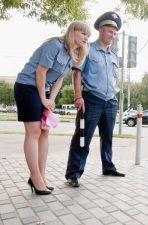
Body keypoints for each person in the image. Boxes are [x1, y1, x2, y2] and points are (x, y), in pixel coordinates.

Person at [14, 21, 91, 195]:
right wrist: (43, 98)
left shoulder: (72, 53)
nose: (87, 38)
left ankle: (40, 176)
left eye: (88, 36)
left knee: (44, 131)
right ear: (73, 32)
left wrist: (51, 100)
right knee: (33, 132)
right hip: (27, 86)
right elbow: (40, 72)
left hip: (45, 90)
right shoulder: (54, 45)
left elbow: (60, 79)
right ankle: (35, 177)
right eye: (83, 33)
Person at [65, 11, 125, 188]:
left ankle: (108, 167)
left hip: (110, 101)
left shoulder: (114, 56)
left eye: (115, 33)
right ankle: (73, 174)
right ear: (100, 30)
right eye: (109, 32)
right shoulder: (87, 49)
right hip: (91, 100)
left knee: (107, 138)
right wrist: (78, 96)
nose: (112, 36)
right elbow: (77, 74)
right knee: (83, 137)